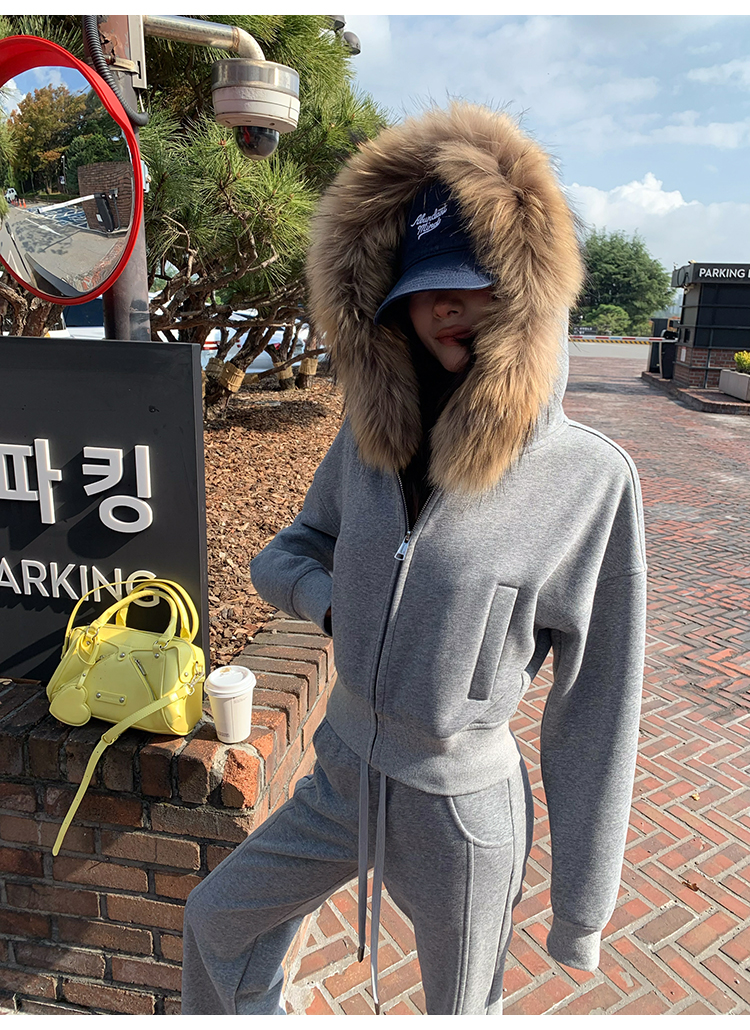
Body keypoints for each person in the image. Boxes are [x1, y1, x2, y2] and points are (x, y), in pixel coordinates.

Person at [181, 102, 647, 1016]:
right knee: (217, 922)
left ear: (527, 287)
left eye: (475, 280)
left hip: (458, 814)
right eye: (425, 286)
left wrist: (582, 909)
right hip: (341, 774)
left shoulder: (590, 480)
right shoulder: (371, 441)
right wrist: (330, 605)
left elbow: (600, 704)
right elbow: (288, 552)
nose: (446, 305)